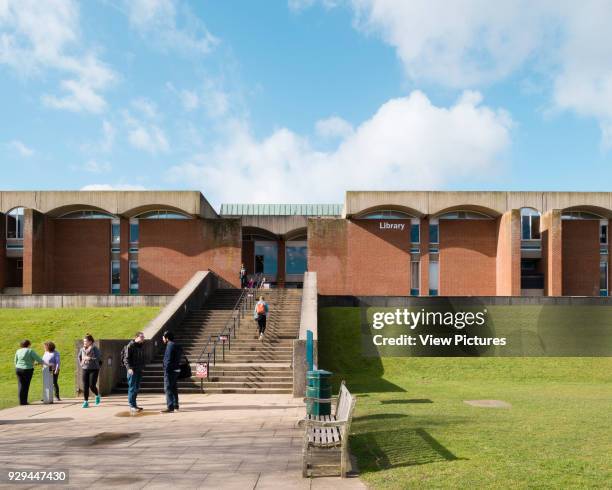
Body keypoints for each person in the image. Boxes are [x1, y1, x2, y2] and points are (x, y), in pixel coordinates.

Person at [14, 340, 47, 406]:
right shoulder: (30, 351)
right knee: (26, 386)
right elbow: (38, 359)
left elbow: (15, 360)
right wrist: (45, 363)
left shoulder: (18, 351)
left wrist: (17, 367)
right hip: (27, 370)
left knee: (20, 385)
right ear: (28, 345)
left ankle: (21, 402)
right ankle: (24, 402)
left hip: (18, 369)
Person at [124, 332, 146, 413]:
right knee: (132, 388)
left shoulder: (140, 346)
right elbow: (126, 359)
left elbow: (142, 358)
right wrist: (129, 368)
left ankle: (134, 404)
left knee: (136, 388)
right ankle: (132, 405)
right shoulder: (130, 346)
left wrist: (142, 367)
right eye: (141, 337)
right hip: (132, 370)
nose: (143, 338)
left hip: (139, 370)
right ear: (136, 337)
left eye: (143, 337)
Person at [78, 334, 102, 408]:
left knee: (92, 386)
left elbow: (98, 358)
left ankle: (97, 395)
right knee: (85, 386)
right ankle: (86, 402)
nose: (84, 343)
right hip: (85, 368)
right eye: (84, 341)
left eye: (86, 341)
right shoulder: (82, 349)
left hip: (94, 369)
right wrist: (81, 364)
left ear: (90, 342)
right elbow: (79, 357)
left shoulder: (95, 349)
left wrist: (90, 358)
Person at [161, 330, 181, 413]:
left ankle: (170, 406)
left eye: (163, 337)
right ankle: (176, 405)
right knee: (173, 388)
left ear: (167, 338)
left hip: (170, 370)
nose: (162, 339)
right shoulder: (176, 345)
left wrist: (166, 369)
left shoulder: (170, 345)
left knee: (168, 388)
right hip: (176, 369)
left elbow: (168, 359)